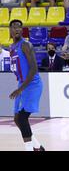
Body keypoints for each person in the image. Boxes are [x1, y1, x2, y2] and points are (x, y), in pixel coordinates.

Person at [8, 19, 44, 151]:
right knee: (17, 119)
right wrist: (20, 87)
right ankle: (38, 147)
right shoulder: (12, 47)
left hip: (32, 84)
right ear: (10, 30)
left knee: (22, 118)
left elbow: (34, 69)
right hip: (22, 84)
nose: (17, 29)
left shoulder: (26, 45)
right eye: (14, 27)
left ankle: (29, 148)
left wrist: (20, 89)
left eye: (19, 27)